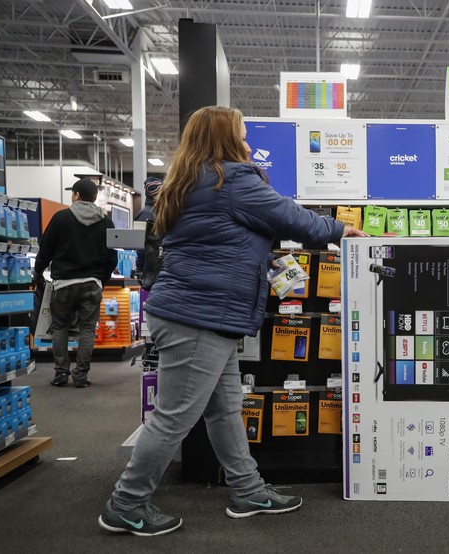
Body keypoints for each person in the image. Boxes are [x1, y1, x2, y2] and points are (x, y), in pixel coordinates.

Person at [99, 106, 367, 537]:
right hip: (198, 316)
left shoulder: (192, 180)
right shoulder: (229, 180)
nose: (248, 145)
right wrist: (340, 230)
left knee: (224, 409)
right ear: (225, 140)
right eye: (242, 137)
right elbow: (288, 215)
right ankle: (125, 503)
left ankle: (248, 489)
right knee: (173, 418)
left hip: (200, 314)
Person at [34, 178, 118, 388]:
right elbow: (112, 258)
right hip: (92, 284)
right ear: (95, 197)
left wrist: (37, 272)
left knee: (60, 328)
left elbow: (45, 250)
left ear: (77, 195)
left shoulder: (61, 218)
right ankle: (81, 376)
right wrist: (101, 279)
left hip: (63, 285)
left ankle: (61, 373)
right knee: (88, 330)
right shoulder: (106, 221)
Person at [133, 176, 163, 290]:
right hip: (151, 270)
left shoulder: (150, 212)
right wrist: (141, 269)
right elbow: (141, 246)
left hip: (151, 269)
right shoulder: (147, 215)